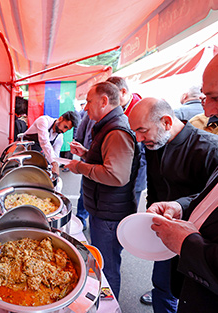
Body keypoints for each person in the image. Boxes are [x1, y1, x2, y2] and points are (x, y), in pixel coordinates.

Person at [147, 34, 218, 312]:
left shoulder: (214, 145)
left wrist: (188, 245)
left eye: (217, 98)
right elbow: (216, 199)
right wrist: (181, 206)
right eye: (205, 98)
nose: (209, 112)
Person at [129, 98, 218, 313]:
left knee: (187, 297)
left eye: (142, 130)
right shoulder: (155, 143)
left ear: (166, 122)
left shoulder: (214, 150)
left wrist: (180, 207)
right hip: (163, 237)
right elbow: (154, 186)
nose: (139, 139)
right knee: (162, 288)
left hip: (198, 245)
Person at [65, 81, 140, 299]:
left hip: (110, 212)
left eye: (89, 101)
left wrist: (80, 166)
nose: (86, 108)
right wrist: (87, 153)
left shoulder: (117, 130)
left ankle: (109, 303)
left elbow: (116, 176)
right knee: (102, 260)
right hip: (104, 207)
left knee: (106, 266)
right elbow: (108, 161)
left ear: (104, 101)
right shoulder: (108, 125)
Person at [106, 75, 146, 205]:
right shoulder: (118, 109)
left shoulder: (142, 109)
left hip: (136, 169)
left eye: (113, 95)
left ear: (123, 91)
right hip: (117, 168)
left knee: (129, 205)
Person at [22, 110, 79, 175]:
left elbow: (56, 155)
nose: (64, 131)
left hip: (34, 158)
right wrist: (53, 163)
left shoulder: (59, 137)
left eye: (67, 129)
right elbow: (44, 142)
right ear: (60, 119)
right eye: (65, 126)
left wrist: (56, 165)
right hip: (23, 152)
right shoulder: (43, 121)